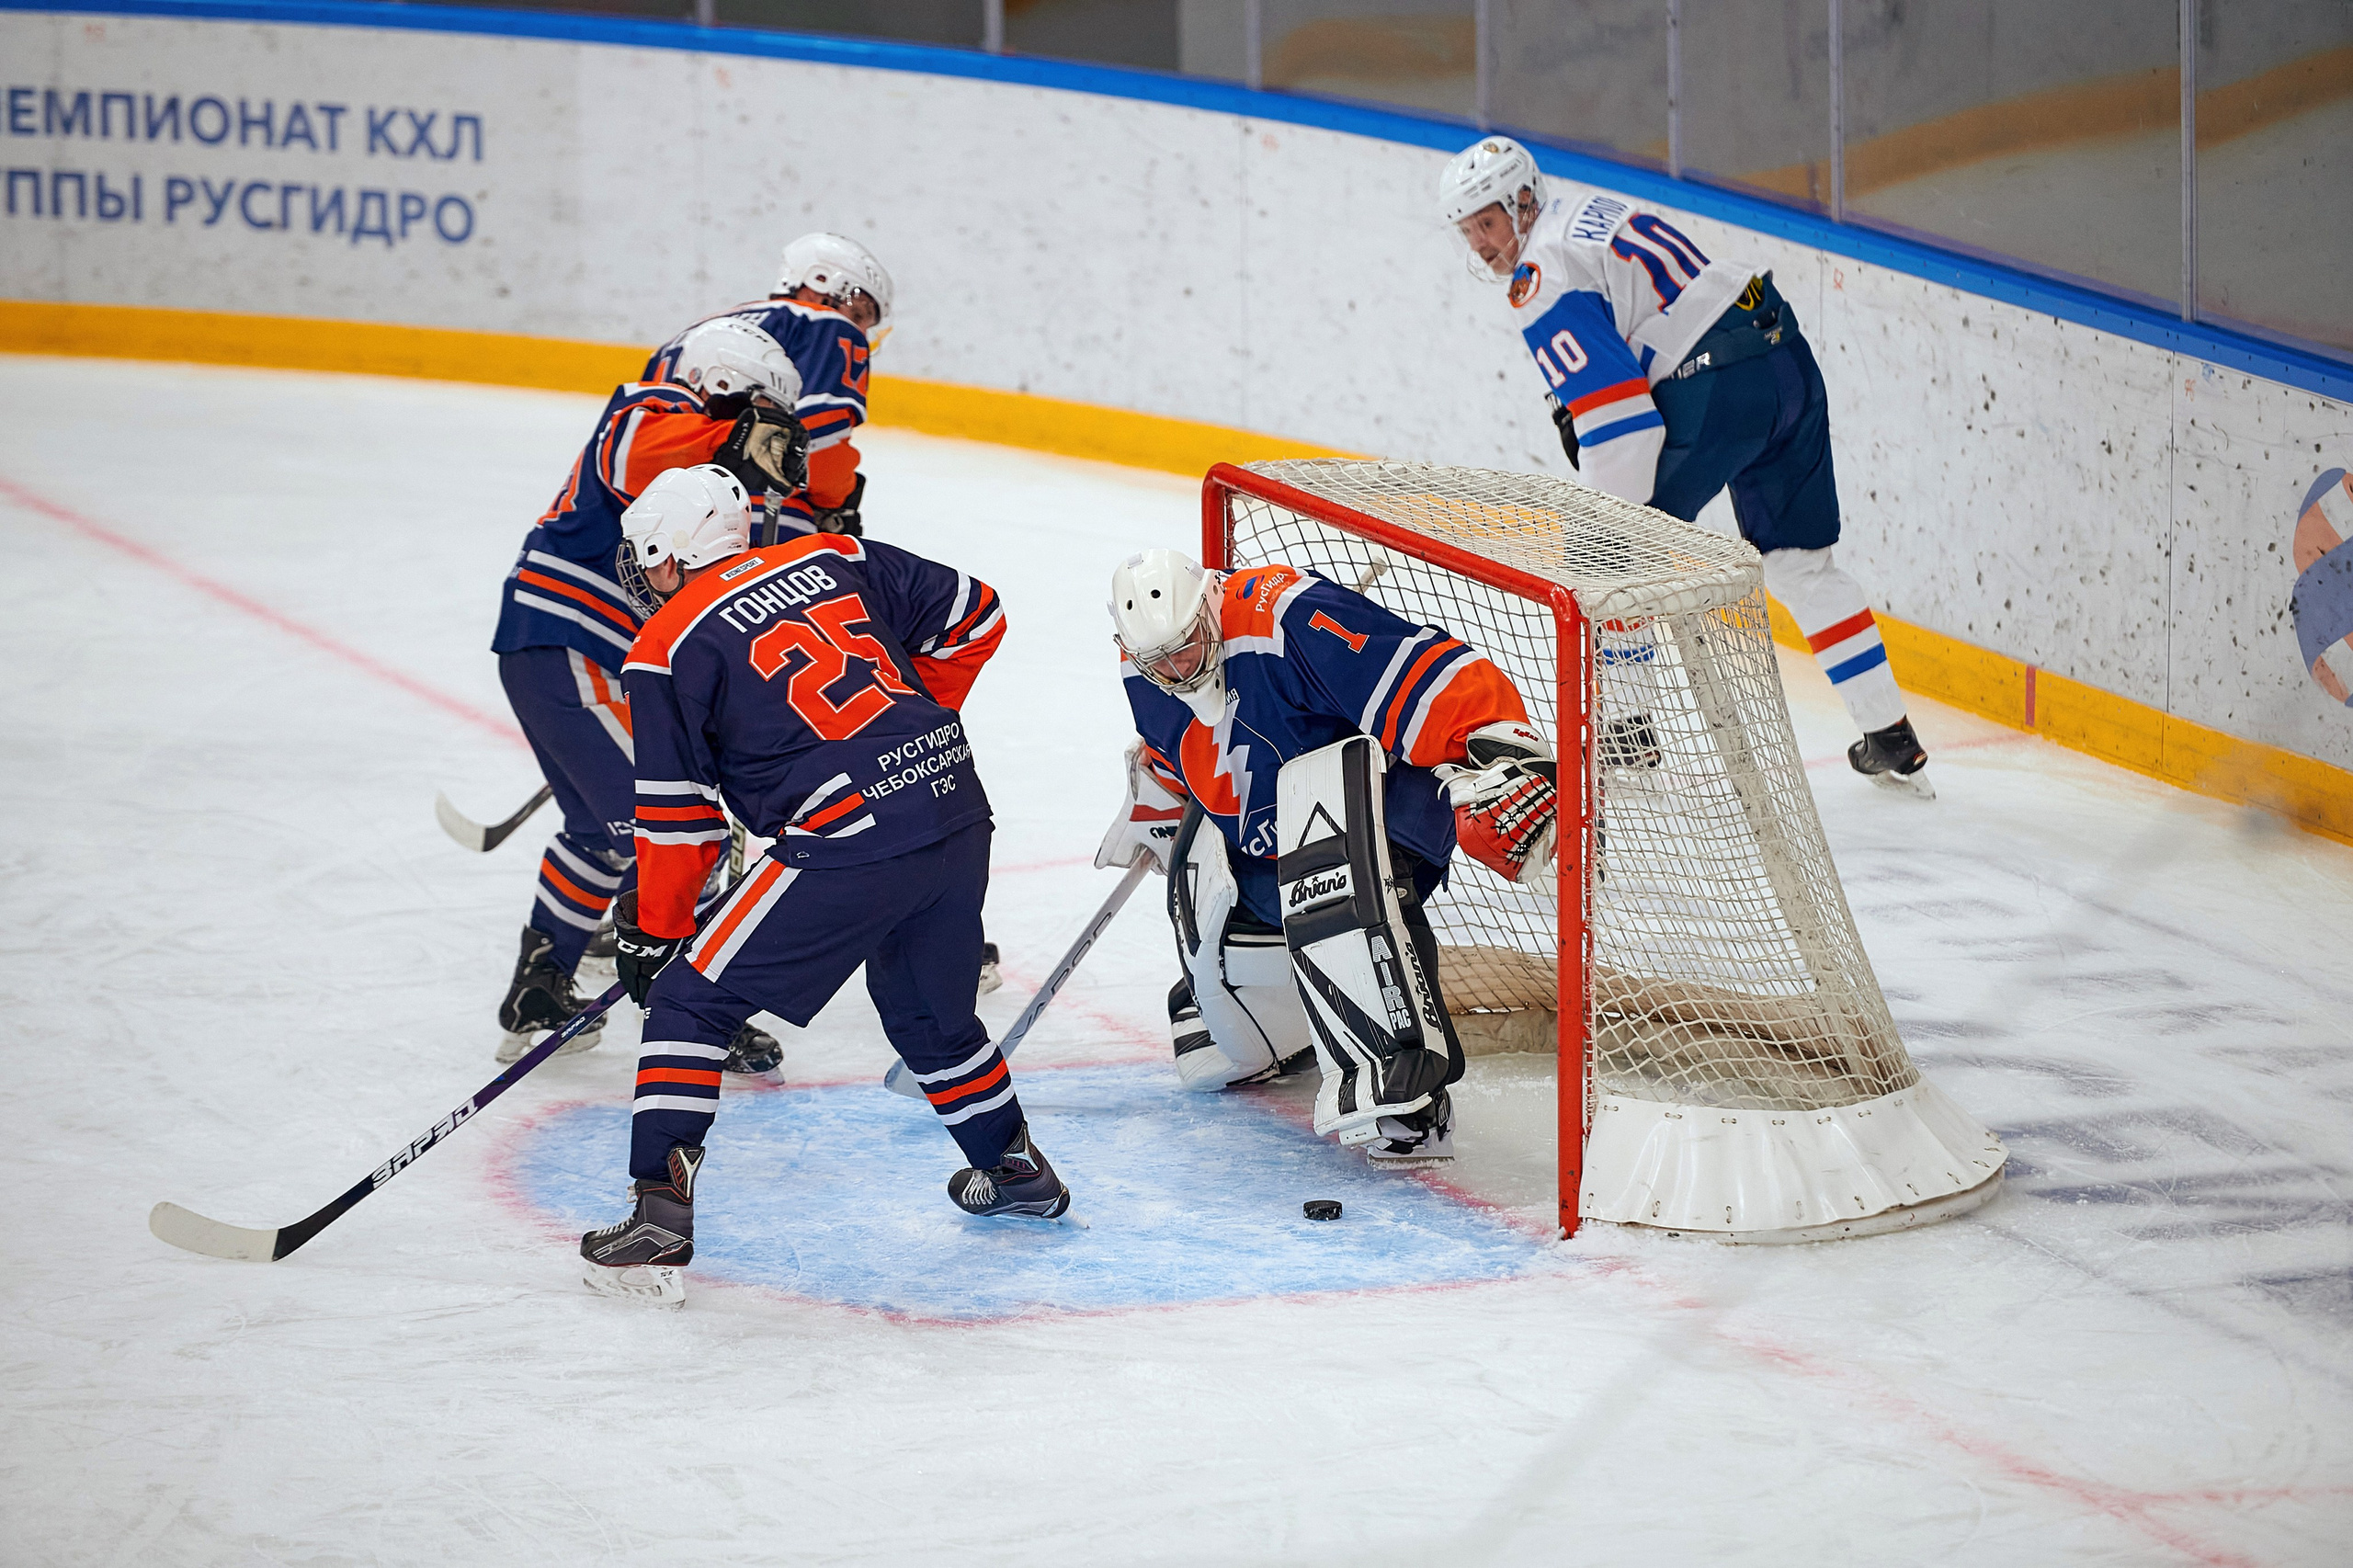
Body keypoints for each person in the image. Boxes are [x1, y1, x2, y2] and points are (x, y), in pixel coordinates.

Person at [580, 464, 1061, 1307]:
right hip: (952, 803)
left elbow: (679, 823)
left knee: (690, 1002)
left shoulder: (663, 649)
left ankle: (658, 1206)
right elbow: (976, 613)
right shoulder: (835, 556)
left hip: (848, 838)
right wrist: (907, 729)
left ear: (669, 555)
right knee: (928, 1013)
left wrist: (653, 932)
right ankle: (1014, 1169)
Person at [1438, 135, 1935, 797]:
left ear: (1523, 202)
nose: (1482, 244)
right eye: (1469, 230)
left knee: (1609, 549)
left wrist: (1605, 521)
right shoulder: (1589, 211)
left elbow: (1625, 423)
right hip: (1782, 353)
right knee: (1800, 563)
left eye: (1489, 223)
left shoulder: (1542, 273)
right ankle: (1890, 732)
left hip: (1716, 388)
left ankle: (1629, 731)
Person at [1094, 549, 1557, 1165]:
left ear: (1210, 603)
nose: (1179, 669)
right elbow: (1186, 750)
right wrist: (1159, 796)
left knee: (1333, 878)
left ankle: (1410, 1091)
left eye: (1189, 645)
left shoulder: (1286, 615)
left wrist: (1503, 749)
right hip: (1278, 826)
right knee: (1218, 966)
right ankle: (1284, 1030)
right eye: (1160, 661)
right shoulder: (1142, 668)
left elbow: (1423, 672)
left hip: (1383, 800)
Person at [487, 318, 811, 1067]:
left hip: (570, 651)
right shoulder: (650, 405)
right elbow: (637, 459)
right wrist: (730, 438)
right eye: (758, 409)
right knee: (674, 825)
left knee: (599, 831)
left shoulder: (724, 471)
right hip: (568, 642)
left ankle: (540, 987)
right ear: (727, 386)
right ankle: (698, 1012)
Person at [644, 233, 892, 540]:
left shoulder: (686, 337)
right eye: (856, 311)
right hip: (748, 512)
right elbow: (817, 445)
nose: (859, 328)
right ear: (818, 283)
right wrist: (839, 499)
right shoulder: (825, 324)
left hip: (655, 516)